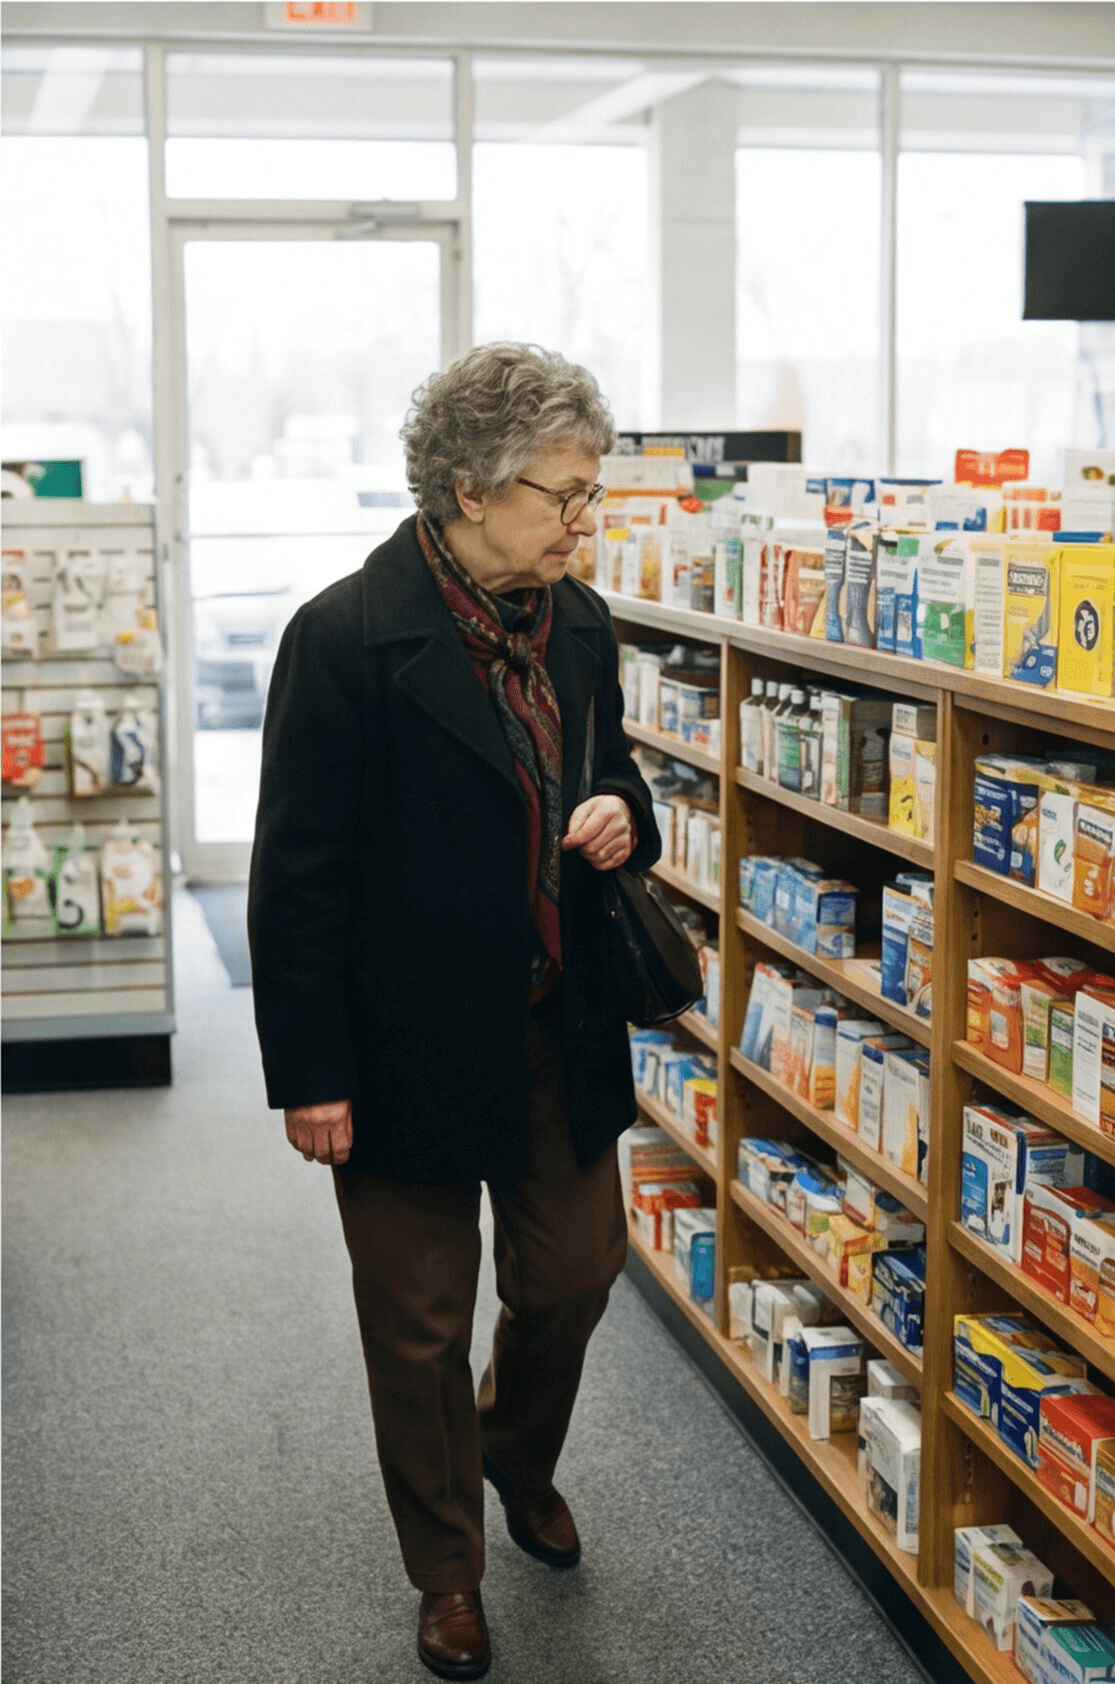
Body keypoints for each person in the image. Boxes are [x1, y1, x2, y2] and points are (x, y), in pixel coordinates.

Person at [248, 342, 660, 1681]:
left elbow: (618, 781)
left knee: (575, 1275)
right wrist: (311, 1074)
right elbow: (296, 879)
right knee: (417, 1321)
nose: (582, 520)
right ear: (472, 491)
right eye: (564, 494)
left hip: (553, 1019)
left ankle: (510, 1449)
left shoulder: (579, 622)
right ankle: (446, 1569)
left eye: (589, 494)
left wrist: (623, 818)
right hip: (402, 1039)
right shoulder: (346, 638)